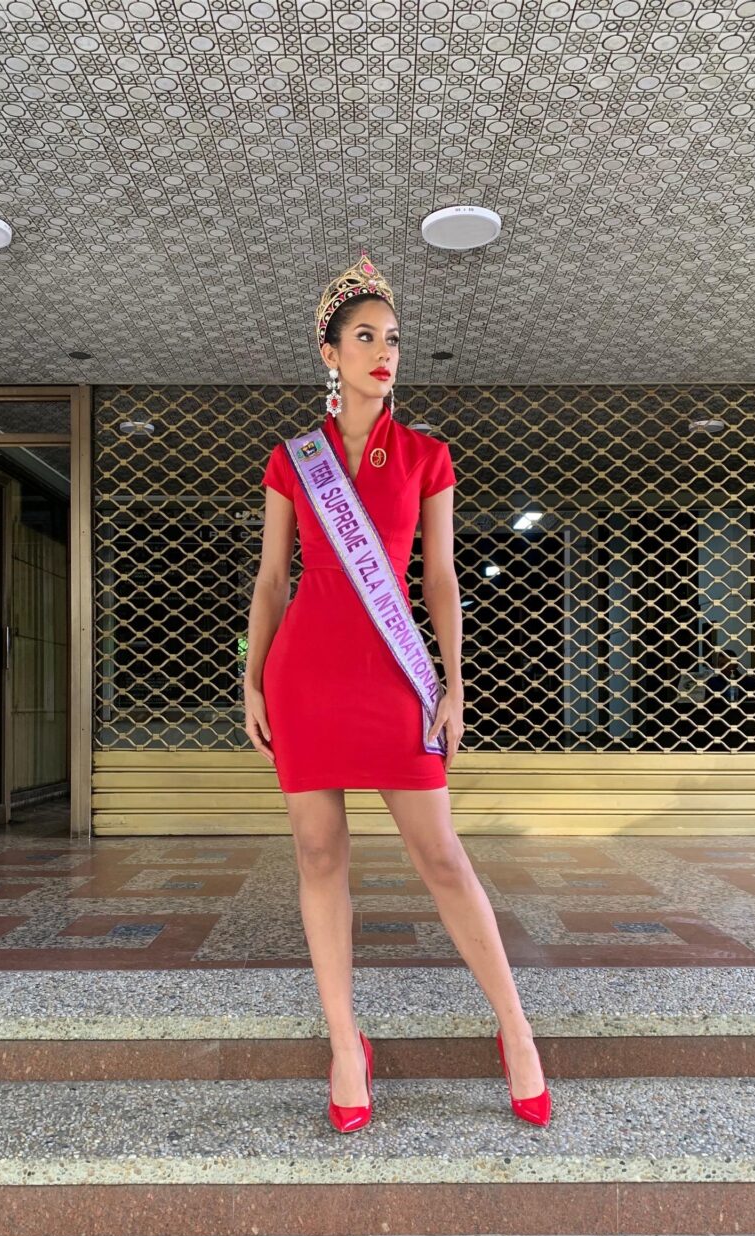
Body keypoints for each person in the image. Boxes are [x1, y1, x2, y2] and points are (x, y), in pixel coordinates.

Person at [243, 253, 550, 1133]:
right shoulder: (293, 460)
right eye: (367, 337)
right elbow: (272, 579)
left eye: (394, 339)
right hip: (304, 676)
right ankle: (346, 1044)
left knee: (442, 857)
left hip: (395, 677)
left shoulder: (425, 455)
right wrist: (251, 680)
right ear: (330, 354)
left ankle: (516, 1028)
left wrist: (454, 684)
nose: (385, 353)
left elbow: (441, 579)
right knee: (318, 857)